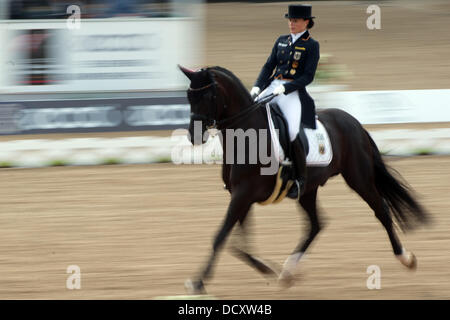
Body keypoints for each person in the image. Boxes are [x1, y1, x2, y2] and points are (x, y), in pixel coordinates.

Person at [250, 4, 320, 199]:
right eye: (290, 20)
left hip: (292, 92)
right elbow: (268, 66)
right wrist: (257, 87)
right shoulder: (281, 41)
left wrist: (286, 88)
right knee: (250, 116)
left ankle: (300, 178)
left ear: (306, 22)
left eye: (295, 20)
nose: (291, 23)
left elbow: (308, 77)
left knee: (290, 131)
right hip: (272, 87)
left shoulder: (311, 45)